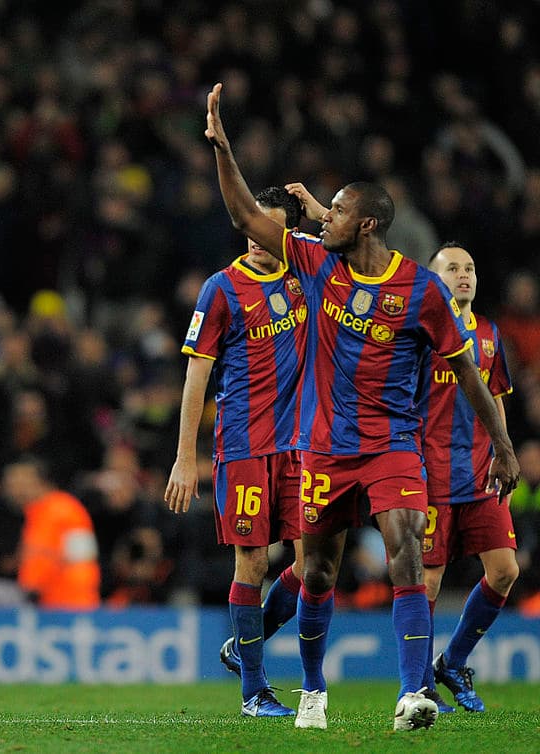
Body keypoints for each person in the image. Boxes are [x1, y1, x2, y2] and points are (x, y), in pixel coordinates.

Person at [201, 83, 519, 732]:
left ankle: (412, 694)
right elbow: (245, 218)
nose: (323, 219)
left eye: (337, 212)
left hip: (392, 445)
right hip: (322, 447)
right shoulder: (316, 265)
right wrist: (224, 151)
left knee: (406, 547)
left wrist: (505, 446)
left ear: (366, 224)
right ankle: (312, 690)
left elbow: (468, 373)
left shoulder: (420, 290)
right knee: (316, 573)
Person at [164, 186, 307, 717]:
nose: (255, 239)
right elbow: (195, 375)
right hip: (244, 444)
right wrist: (184, 456)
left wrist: (315, 210)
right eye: (249, 228)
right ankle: (254, 691)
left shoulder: (305, 276)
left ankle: (245, 645)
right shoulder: (221, 289)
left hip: (300, 445)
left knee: (314, 566)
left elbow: (356, 250)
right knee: (253, 559)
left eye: (267, 231)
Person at [418, 243, 517, 713]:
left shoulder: (490, 336)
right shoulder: (421, 335)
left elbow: (495, 398)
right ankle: (417, 681)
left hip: (482, 471)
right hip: (431, 472)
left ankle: (452, 661)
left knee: (504, 571)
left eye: (470, 268)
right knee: (428, 582)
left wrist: (506, 451)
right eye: (452, 268)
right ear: (435, 280)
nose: (464, 275)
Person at [4, 456, 101, 609]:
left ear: (42, 483)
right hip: (44, 604)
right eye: (10, 485)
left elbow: (83, 559)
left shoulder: (68, 510)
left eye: (21, 484)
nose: (14, 491)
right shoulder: (34, 514)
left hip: (70, 605)